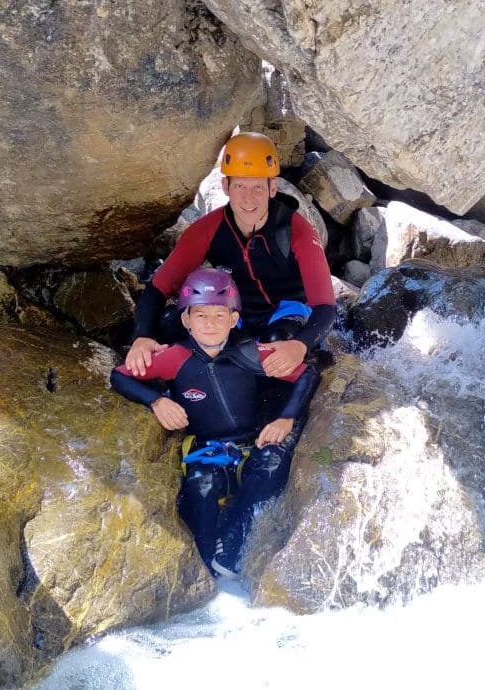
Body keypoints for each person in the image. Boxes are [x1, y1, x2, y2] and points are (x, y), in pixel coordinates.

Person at [111, 268, 319, 578]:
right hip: (207, 450)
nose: (210, 324)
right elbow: (120, 375)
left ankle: (237, 526)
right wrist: (156, 401)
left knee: (274, 460)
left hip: (252, 443)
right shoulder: (174, 357)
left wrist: (285, 418)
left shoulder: (252, 353)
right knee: (201, 488)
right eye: (201, 316)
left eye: (220, 315)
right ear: (186, 320)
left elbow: (306, 374)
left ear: (234, 319)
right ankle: (207, 558)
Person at [124, 131, 336, 381]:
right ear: (225, 187)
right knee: (171, 324)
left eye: (258, 186)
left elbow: (325, 306)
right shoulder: (207, 230)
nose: (248, 198)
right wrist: (142, 337)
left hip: (287, 311)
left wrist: (300, 346)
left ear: (272, 188)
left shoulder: (297, 231)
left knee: (276, 342)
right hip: (235, 315)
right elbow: (159, 287)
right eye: (239, 186)